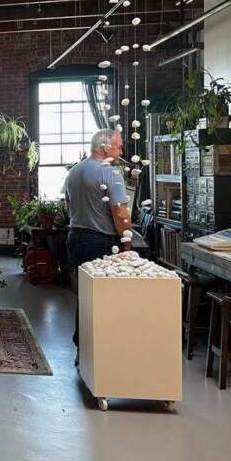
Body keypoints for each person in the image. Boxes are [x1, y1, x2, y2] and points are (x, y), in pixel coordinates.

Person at [63, 129, 132, 354]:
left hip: (75, 237)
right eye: (118, 146)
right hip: (101, 241)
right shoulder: (110, 173)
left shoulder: (74, 171)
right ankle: (103, 351)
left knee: (85, 294)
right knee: (105, 297)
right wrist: (127, 243)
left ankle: (82, 347)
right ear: (105, 148)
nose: (121, 151)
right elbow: (120, 213)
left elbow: (69, 207)